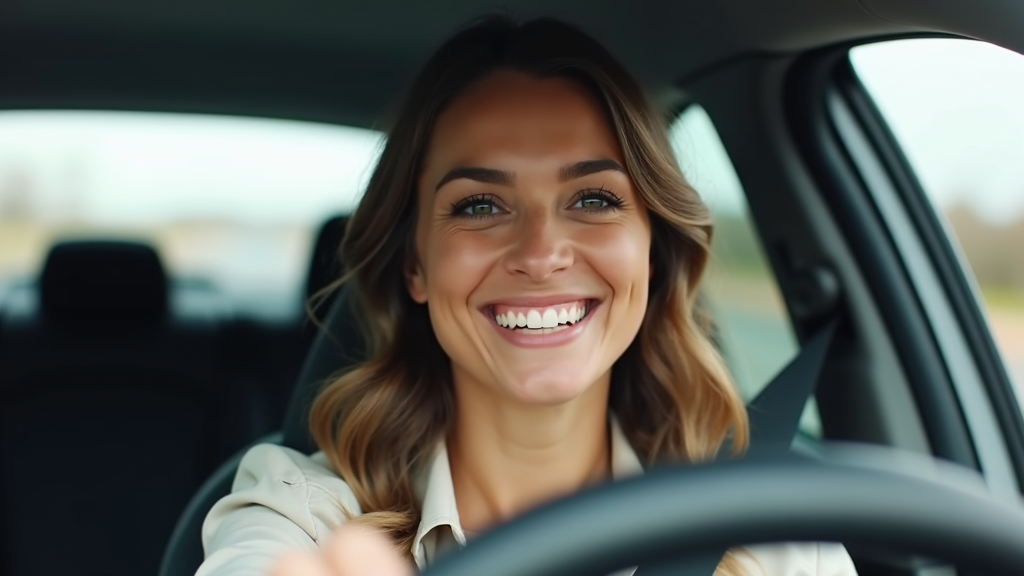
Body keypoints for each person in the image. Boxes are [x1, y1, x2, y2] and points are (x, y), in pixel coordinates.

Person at [197, 15, 858, 576]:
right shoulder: (300, 511)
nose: (541, 254)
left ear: (652, 253)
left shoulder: (775, 529)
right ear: (414, 267)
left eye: (594, 199)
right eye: (480, 204)